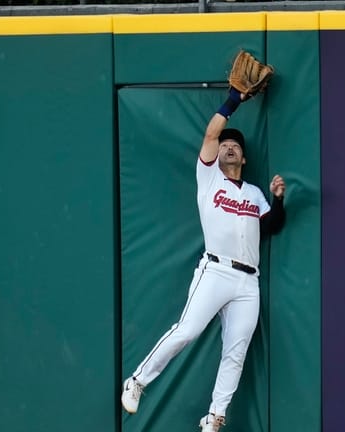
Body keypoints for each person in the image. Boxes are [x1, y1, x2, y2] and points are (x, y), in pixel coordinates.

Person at [121, 87, 286, 432]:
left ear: (243, 159)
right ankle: (137, 380)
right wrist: (234, 99)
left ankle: (215, 417)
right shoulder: (209, 178)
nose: (228, 146)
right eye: (225, 144)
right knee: (187, 331)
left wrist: (278, 199)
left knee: (236, 351)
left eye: (235, 146)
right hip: (215, 270)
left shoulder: (254, 193)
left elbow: (272, 225)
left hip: (247, 281)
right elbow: (212, 132)